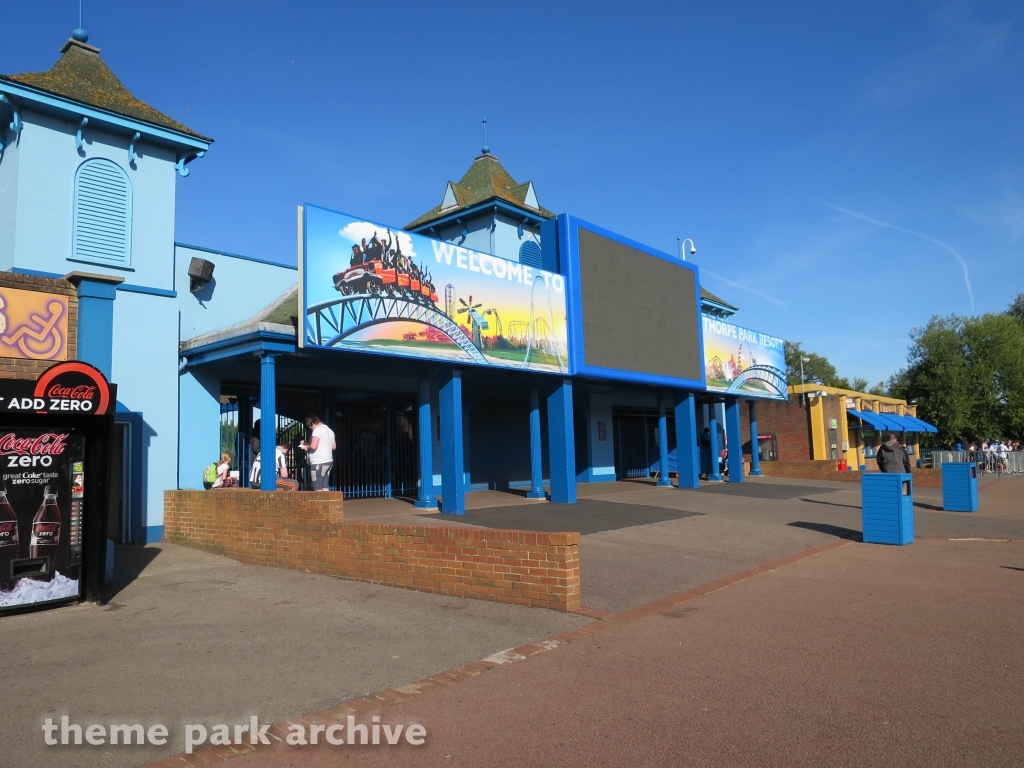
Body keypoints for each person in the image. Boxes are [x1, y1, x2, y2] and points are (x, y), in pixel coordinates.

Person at [299, 412, 336, 491]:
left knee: (317, 486)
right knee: (324, 486)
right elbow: (333, 447)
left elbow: (313, 446)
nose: (311, 429)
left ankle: (319, 499)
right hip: (328, 461)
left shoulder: (317, 430)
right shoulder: (330, 431)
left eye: (310, 427)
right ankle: (327, 499)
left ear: (313, 424)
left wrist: (306, 447)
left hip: (318, 462)